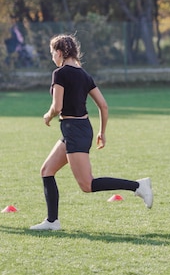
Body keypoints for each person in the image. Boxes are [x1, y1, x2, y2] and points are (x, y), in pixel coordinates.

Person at [30, 34, 153, 231]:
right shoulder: (85, 75)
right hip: (80, 129)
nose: (52, 57)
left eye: (53, 52)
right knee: (47, 171)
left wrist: (47, 115)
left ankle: (138, 186)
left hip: (74, 131)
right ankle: (52, 222)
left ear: (60, 53)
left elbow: (57, 106)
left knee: (87, 185)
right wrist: (102, 132)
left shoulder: (59, 73)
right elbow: (103, 106)